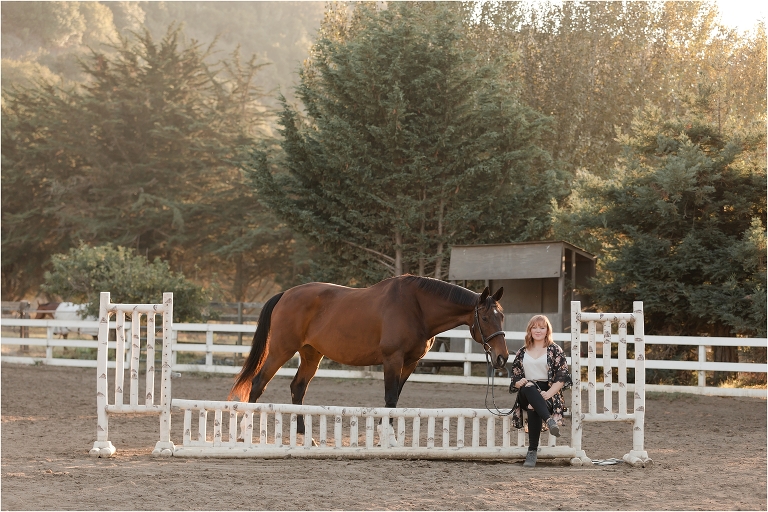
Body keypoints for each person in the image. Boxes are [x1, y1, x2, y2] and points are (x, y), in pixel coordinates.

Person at [508, 314, 572, 468]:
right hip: (526, 391)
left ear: (547, 330)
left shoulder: (555, 350)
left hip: (548, 392)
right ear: (529, 330)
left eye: (542, 327)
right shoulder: (522, 352)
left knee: (533, 406)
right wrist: (519, 382)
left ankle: (532, 452)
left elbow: (562, 377)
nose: (538, 330)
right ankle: (549, 421)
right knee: (529, 387)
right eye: (534, 327)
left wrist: (549, 393)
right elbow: (515, 377)